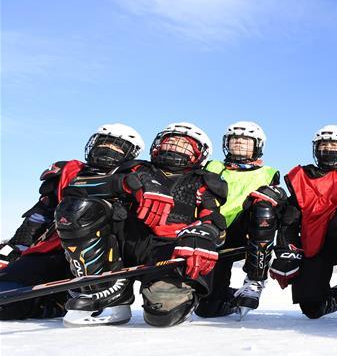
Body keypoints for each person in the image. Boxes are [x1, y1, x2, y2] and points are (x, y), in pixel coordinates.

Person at [55, 122, 228, 327]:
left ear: (199, 154)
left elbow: (213, 220)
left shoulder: (204, 181)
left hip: (169, 251)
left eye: (184, 144)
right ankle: (104, 289)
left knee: (161, 316)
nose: (174, 146)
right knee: (79, 207)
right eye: (169, 141)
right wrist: (127, 184)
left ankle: (177, 294)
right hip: (127, 242)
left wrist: (204, 233)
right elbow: (78, 188)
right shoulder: (134, 169)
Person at [0, 124, 144, 320]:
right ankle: (50, 304)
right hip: (54, 250)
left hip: (105, 255)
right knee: (6, 295)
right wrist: (14, 251)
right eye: (103, 142)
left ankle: (96, 293)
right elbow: (38, 218)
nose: (108, 148)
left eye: (117, 146)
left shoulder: (135, 179)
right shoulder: (69, 173)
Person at [269, 125, 337, 322]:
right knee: (312, 307)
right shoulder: (299, 177)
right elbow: (289, 222)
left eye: (334, 145)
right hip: (313, 244)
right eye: (324, 145)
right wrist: (287, 251)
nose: (328, 149)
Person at [196, 121, 284, 318]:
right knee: (207, 308)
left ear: (257, 145)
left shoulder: (268, 173)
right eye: (234, 139)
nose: (239, 143)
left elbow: (281, 200)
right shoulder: (213, 167)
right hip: (213, 230)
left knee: (265, 210)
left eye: (246, 141)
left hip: (246, 230)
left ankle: (255, 279)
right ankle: (226, 298)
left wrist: (278, 194)